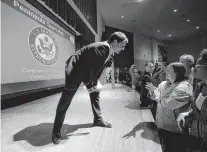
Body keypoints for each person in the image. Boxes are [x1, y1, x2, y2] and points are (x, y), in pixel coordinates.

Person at [52, 32, 128, 144]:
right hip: (75, 71)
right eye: (122, 45)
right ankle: (56, 132)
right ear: (115, 42)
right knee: (65, 100)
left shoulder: (110, 53)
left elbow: (98, 69)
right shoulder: (103, 48)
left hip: (86, 71)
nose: (123, 48)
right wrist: (94, 83)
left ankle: (98, 120)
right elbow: (88, 67)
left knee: (95, 93)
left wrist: (95, 83)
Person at [146, 62, 193, 152]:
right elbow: (156, 96)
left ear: (177, 73)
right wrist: (153, 91)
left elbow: (169, 104)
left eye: (168, 71)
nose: (165, 72)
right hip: (162, 126)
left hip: (175, 131)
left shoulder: (184, 87)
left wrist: (156, 93)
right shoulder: (164, 84)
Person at [176, 50, 207, 151]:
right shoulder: (200, 86)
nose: (194, 69)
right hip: (195, 136)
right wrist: (186, 114)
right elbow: (198, 109)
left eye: (197, 66)